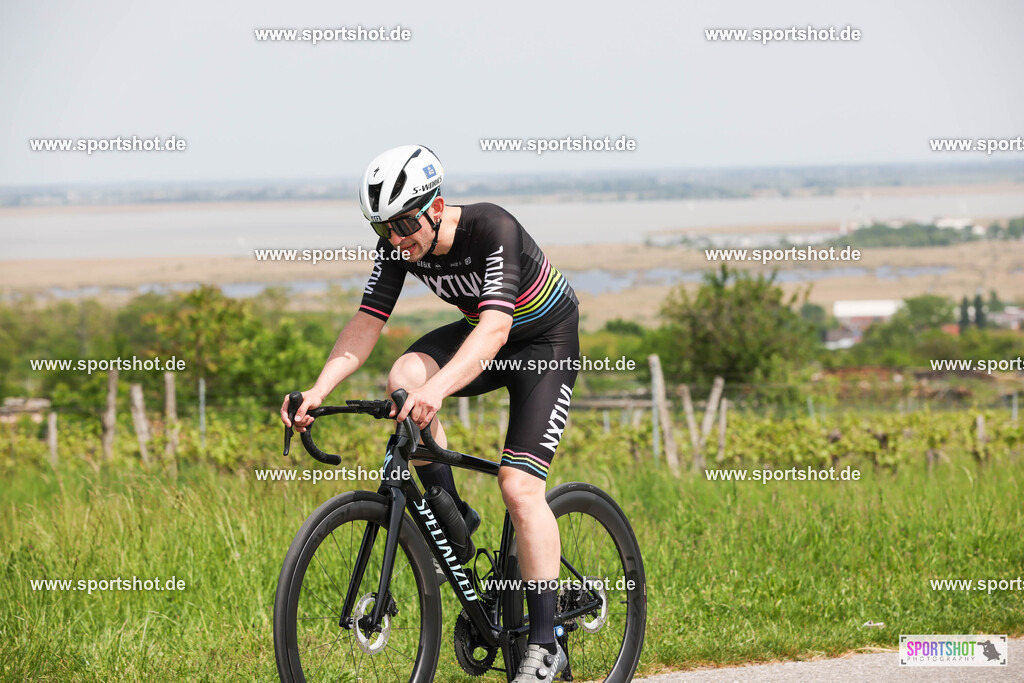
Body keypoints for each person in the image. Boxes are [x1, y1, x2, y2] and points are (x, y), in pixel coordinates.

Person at [280, 144, 579, 682]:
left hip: (541, 343)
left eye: (404, 225)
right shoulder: (397, 247)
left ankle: (544, 643)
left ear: (435, 206)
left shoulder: (493, 228)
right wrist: (318, 390)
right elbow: (367, 320)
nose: (397, 240)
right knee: (402, 380)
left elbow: (494, 329)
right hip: (485, 336)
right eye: (384, 230)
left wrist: (438, 389)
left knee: (518, 487)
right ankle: (452, 515)